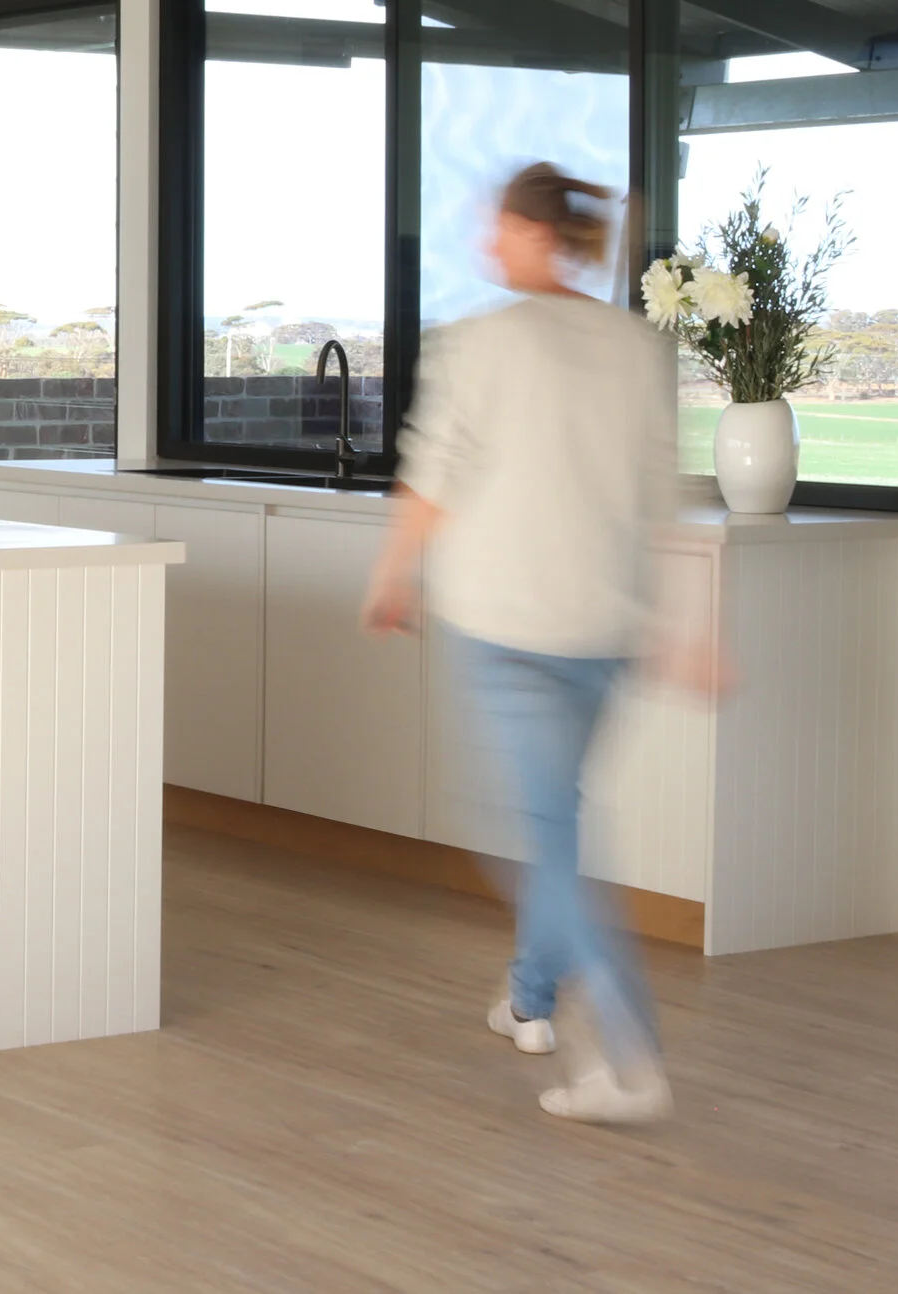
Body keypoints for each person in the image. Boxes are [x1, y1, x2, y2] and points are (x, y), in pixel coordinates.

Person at [362, 162, 691, 1126]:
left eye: (496, 227)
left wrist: (392, 574)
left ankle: (630, 1059)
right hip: (605, 627)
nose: (484, 243)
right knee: (557, 824)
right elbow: (659, 496)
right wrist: (684, 622)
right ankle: (530, 1002)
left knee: (545, 838)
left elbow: (433, 472)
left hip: (506, 626)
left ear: (535, 234)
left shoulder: (480, 343)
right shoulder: (635, 347)